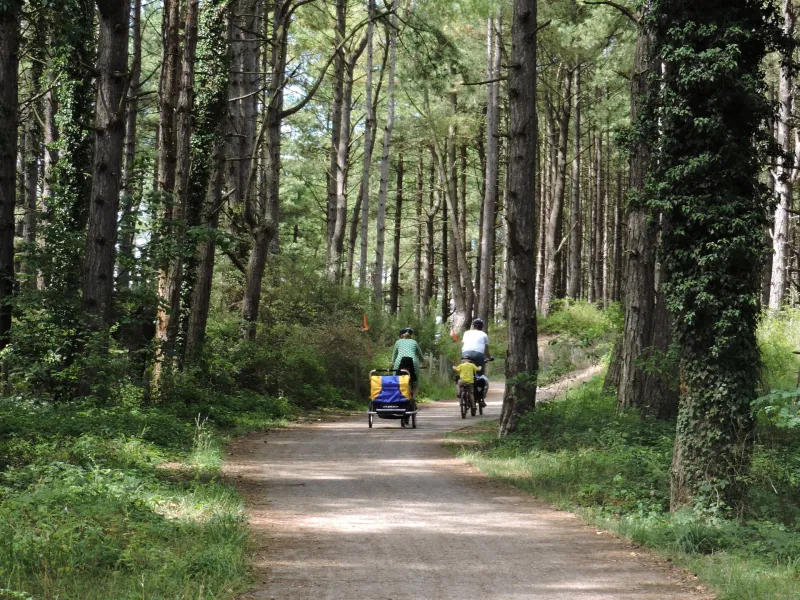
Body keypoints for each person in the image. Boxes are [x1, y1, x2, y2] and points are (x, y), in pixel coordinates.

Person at [392, 328, 425, 399]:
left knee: (395, 379)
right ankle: (412, 399)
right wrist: (423, 363)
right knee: (415, 382)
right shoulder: (414, 342)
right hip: (413, 362)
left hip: (399, 362)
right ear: (410, 335)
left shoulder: (398, 342)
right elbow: (420, 355)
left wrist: (392, 363)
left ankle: (396, 398)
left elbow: (394, 356)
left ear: (401, 335)